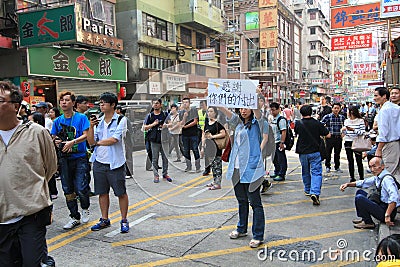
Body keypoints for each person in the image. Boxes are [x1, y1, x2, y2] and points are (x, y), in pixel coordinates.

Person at [0, 81, 57, 266]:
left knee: (33, 262)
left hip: (30, 214)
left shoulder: (36, 133)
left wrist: (32, 191)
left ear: (15, 106)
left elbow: (50, 167)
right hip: (2, 217)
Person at [219, 106, 266, 248]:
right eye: (241, 109)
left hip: (252, 168)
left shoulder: (258, 124)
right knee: (241, 200)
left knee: (255, 202)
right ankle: (241, 228)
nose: (243, 111)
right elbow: (229, 114)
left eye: (247, 108)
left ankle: (258, 235)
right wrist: (218, 102)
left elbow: (258, 114)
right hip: (236, 168)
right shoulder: (238, 124)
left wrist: (256, 96)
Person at [87, 92, 130, 233]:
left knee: (121, 193)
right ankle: (104, 219)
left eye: (104, 103)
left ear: (112, 105)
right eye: (100, 103)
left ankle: (124, 220)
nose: (101, 105)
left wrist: (97, 143)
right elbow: (91, 142)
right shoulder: (98, 120)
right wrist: (91, 127)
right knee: (102, 193)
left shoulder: (121, 120)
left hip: (115, 163)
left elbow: (114, 140)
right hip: (99, 162)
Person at [51, 91, 91, 230]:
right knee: (67, 189)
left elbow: (85, 135)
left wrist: (72, 142)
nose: (64, 102)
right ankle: (74, 216)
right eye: (62, 100)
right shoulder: (57, 121)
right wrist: (56, 141)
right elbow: (53, 136)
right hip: (64, 159)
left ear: (73, 103)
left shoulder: (81, 118)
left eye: (67, 100)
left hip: (79, 157)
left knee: (81, 187)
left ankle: (85, 208)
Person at [339, 157, 400, 229]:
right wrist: (348, 184)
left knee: (360, 198)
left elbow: (394, 197)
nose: (372, 170)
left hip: (387, 212)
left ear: (382, 166)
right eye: (370, 167)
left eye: (374, 166)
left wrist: (387, 215)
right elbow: (364, 182)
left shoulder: (387, 179)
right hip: (381, 205)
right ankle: (364, 218)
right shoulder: (378, 176)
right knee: (360, 192)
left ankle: (368, 222)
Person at [294, 105, 330, 205]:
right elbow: (328, 135)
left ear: (301, 113)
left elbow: (296, 133)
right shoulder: (317, 123)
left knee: (305, 171)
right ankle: (315, 192)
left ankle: (307, 189)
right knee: (316, 172)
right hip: (315, 151)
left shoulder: (298, 123)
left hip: (303, 152)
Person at [143, 98, 172, 183]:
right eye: (154, 103)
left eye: (157, 103)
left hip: (164, 139)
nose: (155, 105)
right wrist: (153, 124)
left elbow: (171, 124)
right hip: (154, 140)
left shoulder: (165, 114)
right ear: (152, 105)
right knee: (155, 158)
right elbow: (144, 127)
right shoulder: (150, 116)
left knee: (165, 158)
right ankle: (156, 175)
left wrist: (165, 125)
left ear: (160, 105)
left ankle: (165, 173)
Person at [374, 87, 400, 179]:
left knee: (388, 173)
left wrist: (379, 149)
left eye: (376, 95)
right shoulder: (397, 108)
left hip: (388, 144)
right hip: (396, 143)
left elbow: (384, 132)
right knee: (395, 172)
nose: (374, 98)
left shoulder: (384, 110)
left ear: (384, 96)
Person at [201, 107, 226, 190]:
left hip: (216, 146)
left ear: (215, 113)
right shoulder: (207, 123)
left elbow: (223, 134)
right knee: (212, 165)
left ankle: (218, 183)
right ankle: (215, 181)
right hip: (208, 147)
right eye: (208, 111)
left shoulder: (218, 123)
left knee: (217, 165)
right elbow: (204, 135)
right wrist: (202, 147)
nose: (209, 113)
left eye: (211, 111)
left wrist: (213, 136)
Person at [342, 106, 365, 182]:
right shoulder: (346, 121)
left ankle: (361, 177)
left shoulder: (360, 121)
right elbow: (345, 132)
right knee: (350, 160)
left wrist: (353, 130)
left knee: (359, 160)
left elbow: (362, 132)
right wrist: (343, 131)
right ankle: (352, 176)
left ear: (351, 112)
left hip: (357, 141)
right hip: (348, 141)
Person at [321, 103, 346, 174]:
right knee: (328, 152)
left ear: (340, 109)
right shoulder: (327, 117)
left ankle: (337, 167)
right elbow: (321, 125)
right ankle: (327, 166)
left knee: (337, 153)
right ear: (332, 109)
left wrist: (344, 133)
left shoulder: (342, 117)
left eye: (338, 108)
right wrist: (325, 133)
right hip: (330, 138)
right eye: (335, 108)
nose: (336, 110)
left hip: (338, 138)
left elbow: (346, 126)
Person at [180, 97, 201, 172]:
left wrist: (186, 126)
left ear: (189, 103)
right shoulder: (181, 112)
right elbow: (181, 123)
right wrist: (184, 117)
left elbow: (195, 121)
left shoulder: (193, 110)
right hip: (185, 134)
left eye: (186, 102)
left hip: (193, 133)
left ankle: (198, 166)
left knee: (195, 149)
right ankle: (188, 166)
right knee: (186, 150)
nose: (185, 104)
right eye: (184, 102)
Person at [269, 102, 287, 181]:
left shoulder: (281, 119)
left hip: (279, 142)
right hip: (273, 142)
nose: (272, 112)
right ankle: (277, 171)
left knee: (281, 158)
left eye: (273, 110)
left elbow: (284, 132)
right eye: (271, 110)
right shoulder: (273, 119)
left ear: (278, 110)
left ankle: (281, 174)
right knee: (274, 158)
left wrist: (282, 142)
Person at [116, 105, 134, 179]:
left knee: (127, 156)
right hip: (123, 140)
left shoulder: (123, 119)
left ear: (119, 110)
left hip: (127, 140)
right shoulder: (118, 118)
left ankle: (129, 172)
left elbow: (127, 131)